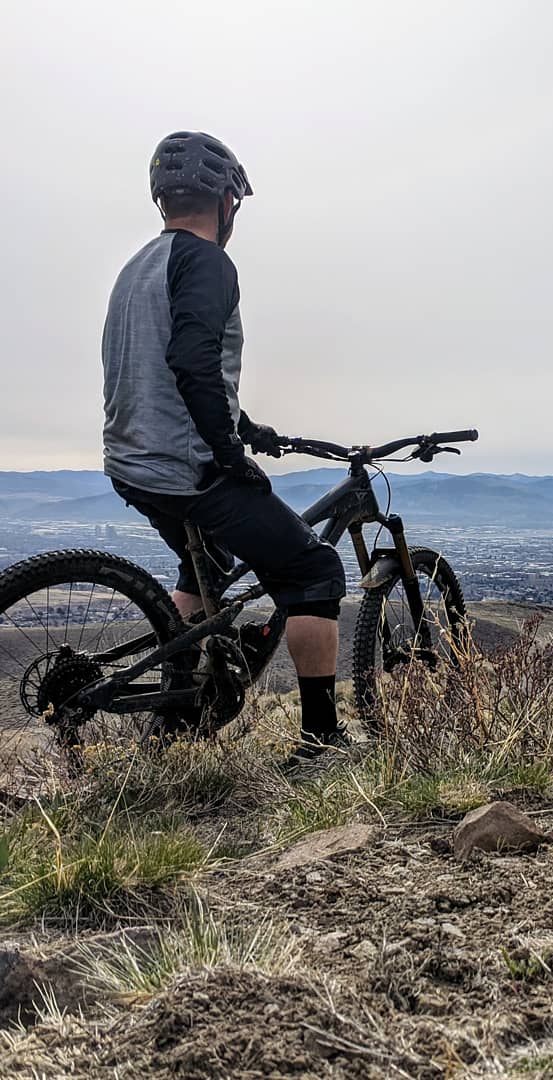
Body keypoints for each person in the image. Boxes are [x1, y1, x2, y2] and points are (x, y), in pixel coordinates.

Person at [101, 130, 348, 764]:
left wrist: (247, 428)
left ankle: (181, 713)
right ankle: (322, 742)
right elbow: (191, 363)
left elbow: (168, 370)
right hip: (186, 468)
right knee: (312, 572)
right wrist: (230, 453)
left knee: (203, 569)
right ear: (227, 202)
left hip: (133, 463)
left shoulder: (138, 266)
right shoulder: (208, 261)